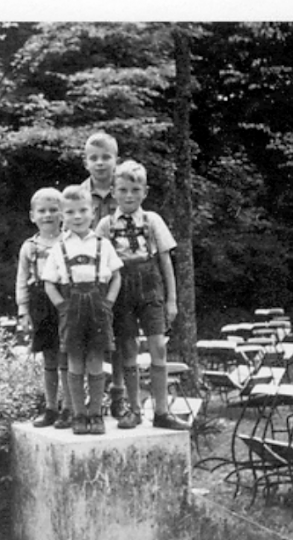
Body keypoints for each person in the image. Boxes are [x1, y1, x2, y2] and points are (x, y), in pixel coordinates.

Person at [96, 160, 190, 430]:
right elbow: (101, 264)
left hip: (150, 286)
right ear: (113, 191)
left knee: (158, 345)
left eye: (135, 190)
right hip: (120, 287)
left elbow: (166, 262)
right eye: (123, 190)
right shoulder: (105, 225)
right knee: (128, 349)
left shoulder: (153, 220)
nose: (129, 196)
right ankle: (134, 409)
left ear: (144, 192)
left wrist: (171, 300)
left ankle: (161, 411)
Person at [43, 186, 122, 435]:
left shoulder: (103, 244)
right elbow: (48, 283)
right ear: (63, 217)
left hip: (98, 306)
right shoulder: (59, 248)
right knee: (75, 361)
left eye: (83, 210)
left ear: (93, 212)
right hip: (72, 306)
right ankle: (78, 415)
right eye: (71, 212)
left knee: (96, 360)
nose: (77, 216)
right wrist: (62, 307)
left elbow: (116, 276)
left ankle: (96, 414)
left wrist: (108, 302)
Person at [78, 131, 127, 419]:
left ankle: (118, 393)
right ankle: (89, 392)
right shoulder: (79, 193)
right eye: (93, 158)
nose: (100, 163)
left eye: (106, 157)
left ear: (116, 161)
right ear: (86, 162)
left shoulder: (124, 189)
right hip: (86, 277)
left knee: (119, 335)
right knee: (86, 339)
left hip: (118, 273)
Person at [16, 187, 72, 429]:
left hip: (65, 300)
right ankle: (51, 407)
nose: (47, 215)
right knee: (49, 357)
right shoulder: (29, 247)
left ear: (63, 214)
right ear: (32, 215)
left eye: (53, 210)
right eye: (42, 211)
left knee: (67, 356)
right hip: (41, 304)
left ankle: (70, 408)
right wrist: (23, 310)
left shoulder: (70, 241)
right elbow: (21, 279)